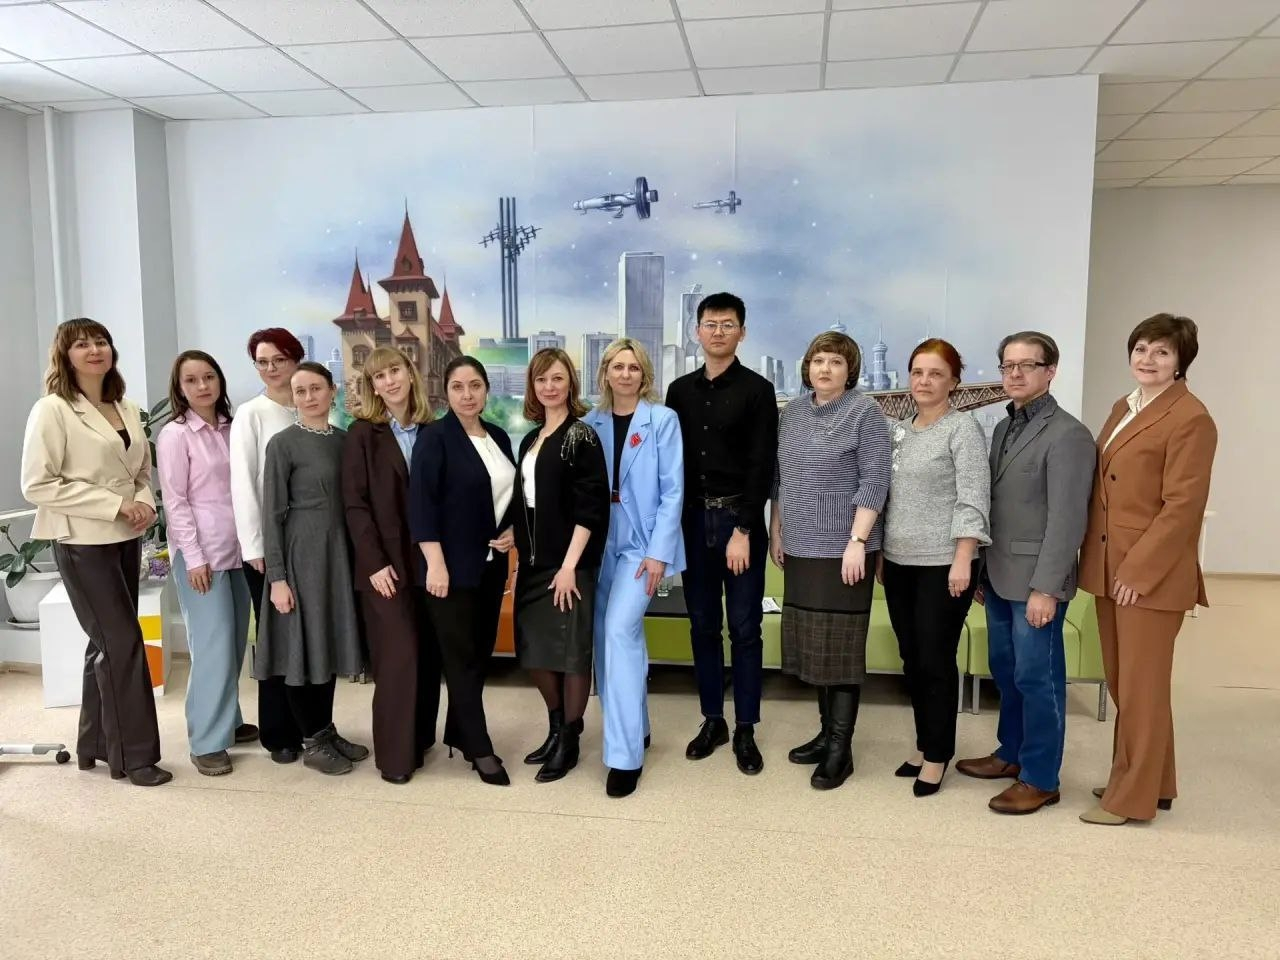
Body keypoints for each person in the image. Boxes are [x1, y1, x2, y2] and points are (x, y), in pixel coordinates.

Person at [1078, 314, 1216, 826]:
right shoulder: (1126, 405)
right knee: (1129, 685)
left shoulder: (1191, 418)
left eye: (1161, 351)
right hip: (1108, 565)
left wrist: (1138, 573)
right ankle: (1155, 781)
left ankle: (1129, 799)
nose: (1147, 359)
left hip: (1147, 577)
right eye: (1140, 348)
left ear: (1181, 362)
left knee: (1141, 689)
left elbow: (1183, 507)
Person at [20, 318, 169, 786]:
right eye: (82, 344)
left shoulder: (125, 406)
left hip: (126, 537)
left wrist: (143, 503)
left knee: (105, 642)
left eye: (101, 341)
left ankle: (95, 744)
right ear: (65, 356)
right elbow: (37, 485)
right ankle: (135, 758)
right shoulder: (52, 409)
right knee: (124, 643)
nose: (94, 350)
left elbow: (141, 470)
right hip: (82, 541)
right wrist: (114, 505)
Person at [956, 331, 1095, 815]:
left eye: (1027, 365)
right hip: (998, 575)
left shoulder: (1069, 435)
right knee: (1007, 671)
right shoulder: (1002, 428)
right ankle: (1010, 753)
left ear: (1050, 371)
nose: (1014, 374)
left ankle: (1040, 777)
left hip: (1036, 581)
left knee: (1039, 678)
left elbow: (1067, 520)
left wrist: (1047, 588)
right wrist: (981, 572)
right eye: (1007, 365)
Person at [769, 331, 891, 791]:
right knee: (815, 646)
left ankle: (842, 748)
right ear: (807, 367)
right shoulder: (793, 413)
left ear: (850, 370)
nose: (825, 369)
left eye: (836, 362)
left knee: (840, 649)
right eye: (819, 360)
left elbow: (875, 481)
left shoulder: (865, 413)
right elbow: (781, 478)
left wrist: (858, 540)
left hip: (845, 549)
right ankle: (825, 735)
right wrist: (776, 529)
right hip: (801, 544)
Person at [665, 292, 777, 774]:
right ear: (697, 331)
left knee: (746, 629)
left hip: (739, 522)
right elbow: (672, 466)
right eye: (710, 324)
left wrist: (745, 528)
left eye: (727, 324)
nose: (717, 332)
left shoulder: (758, 390)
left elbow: (761, 465)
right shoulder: (679, 392)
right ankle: (713, 719)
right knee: (703, 626)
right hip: (693, 523)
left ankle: (746, 727)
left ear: (742, 332)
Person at [879, 339, 990, 797]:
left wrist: (964, 557)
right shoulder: (898, 431)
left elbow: (973, 497)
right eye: (918, 372)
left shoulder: (962, 429)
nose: (924, 381)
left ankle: (938, 754)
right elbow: (887, 498)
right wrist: (882, 553)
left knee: (935, 660)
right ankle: (925, 743)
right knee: (911, 658)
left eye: (936, 374)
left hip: (944, 564)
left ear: (954, 382)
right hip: (898, 562)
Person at [255, 362, 369, 776]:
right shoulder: (282, 444)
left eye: (316, 388)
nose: (308, 397)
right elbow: (271, 514)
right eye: (300, 391)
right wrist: (278, 578)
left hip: (338, 555)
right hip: (301, 556)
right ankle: (312, 740)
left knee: (327, 644)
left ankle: (325, 729)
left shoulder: (344, 440)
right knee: (302, 649)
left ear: (332, 390)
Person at [584, 338, 684, 798]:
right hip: (598, 543)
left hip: (642, 546)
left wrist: (659, 552)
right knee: (608, 640)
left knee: (619, 631)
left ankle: (624, 758)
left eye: (634, 367)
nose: (625, 374)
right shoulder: (590, 424)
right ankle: (637, 726)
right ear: (605, 372)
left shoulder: (662, 421)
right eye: (617, 366)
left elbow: (673, 491)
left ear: (644, 374)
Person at [410, 356, 516, 787]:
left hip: (490, 568)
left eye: (475, 385)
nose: (467, 395)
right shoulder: (435, 438)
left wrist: (510, 532)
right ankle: (480, 747)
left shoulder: (499, 436)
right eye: (458, 387)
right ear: (446, 393)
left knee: (479, 654)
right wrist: (435, 565)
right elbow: (422, 506)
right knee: (460, 661)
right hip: (449, 570)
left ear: (487, 389)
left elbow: (508, 497)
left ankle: (459, 731)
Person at [341, 347, 441, 785]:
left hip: (429, 563)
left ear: (409, 373)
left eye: (395, 371)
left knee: (426, 655)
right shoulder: (362, 434)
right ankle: (395, 759)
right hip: (384, 567)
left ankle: (419, 740)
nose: (389, 381)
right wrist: (374, 563)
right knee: (398, 657)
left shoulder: (433, 431)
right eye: (379, 377)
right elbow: (355, 505)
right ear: (373, 387)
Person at [513, 349, 609, 783]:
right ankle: (557, 726)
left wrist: (570, 566)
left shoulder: (581, 436)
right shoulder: (530, 440)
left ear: (570, 382)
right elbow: (527, 504)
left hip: (570, 564)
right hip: (534, 565)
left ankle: (569, 739)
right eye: (541, 380)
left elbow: (591, 508)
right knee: (534, 651)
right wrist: (512, 539)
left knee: (571, 655)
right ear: (532, 387)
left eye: (557, 378)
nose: (549, 387)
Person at [156, 350, 254, 777]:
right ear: (179, 388)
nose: (202, 386)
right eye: (191, 380)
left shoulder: (233, 427)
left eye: (209, 377)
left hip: (239, 550)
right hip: (202, 557)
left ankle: (227, 718)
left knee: (232, 643)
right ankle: (207, 742)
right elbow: (175, 502)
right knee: (212, 644)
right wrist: (194, 558)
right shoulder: (175, 435)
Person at [229, 328, 305, 763]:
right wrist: (254, 547)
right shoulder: (251, 414)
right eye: (263, 362)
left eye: (280, 359)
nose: (272, 368)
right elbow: (243, 484)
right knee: (276, 641)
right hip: (268, 548)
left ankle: (311, 724)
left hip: (309, 544)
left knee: (306, 638)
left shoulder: (310, 406)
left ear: (296, 359)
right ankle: (279, 734)